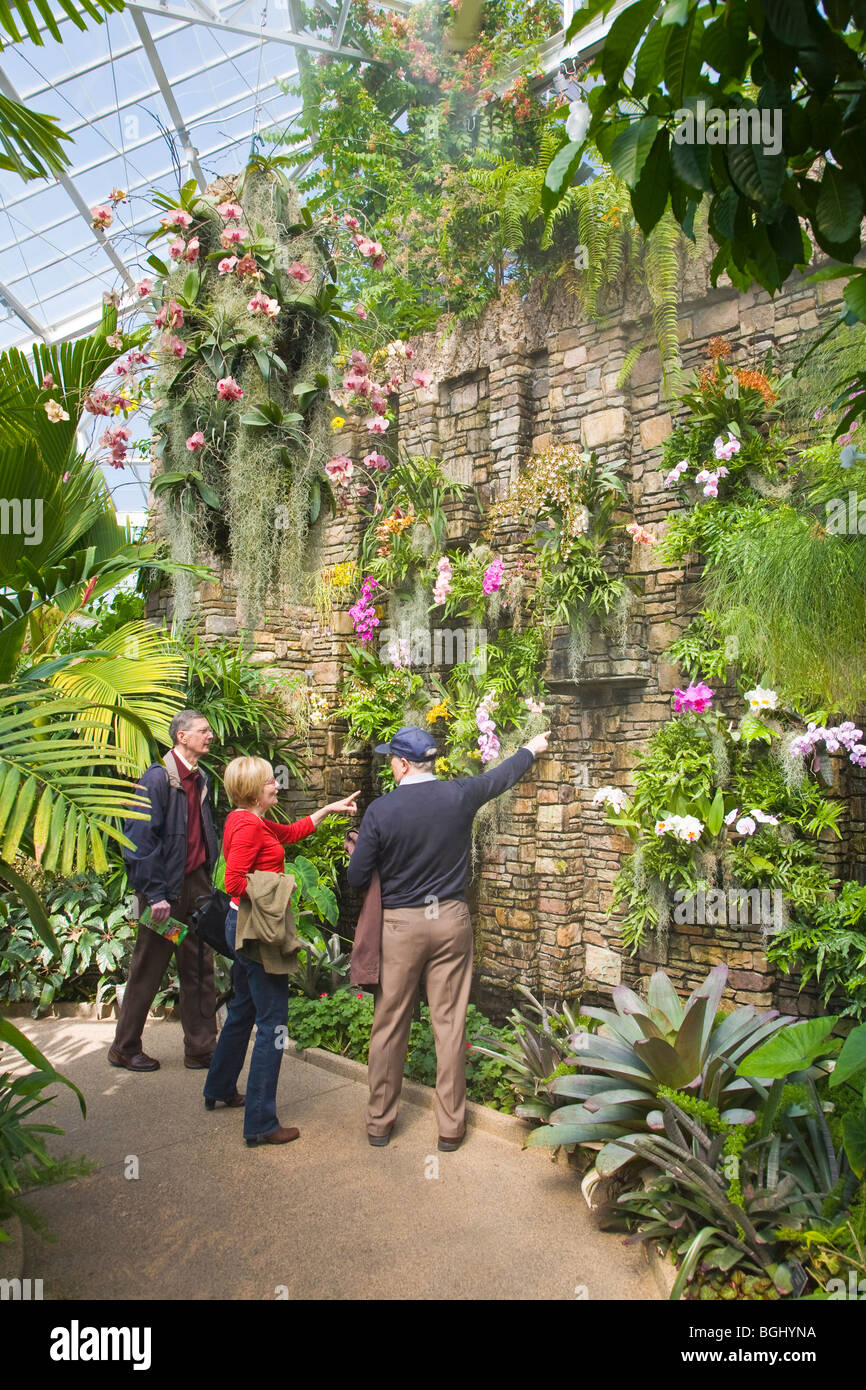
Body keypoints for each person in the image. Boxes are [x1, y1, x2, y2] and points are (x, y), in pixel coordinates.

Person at [346, 723, 550, 1150]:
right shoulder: (460, 794)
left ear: (402, 764)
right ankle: (450, 1129)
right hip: (451, 921)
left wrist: (359, 851)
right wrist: (532, 748)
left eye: (391, 759)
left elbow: (357, 877)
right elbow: (502, 776)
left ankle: (380, 1123)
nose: (390, 765)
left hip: (400, 927)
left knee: (389, 1024)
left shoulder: (381, 811)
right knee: (450, 1024)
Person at [204, 756, 359, 1146]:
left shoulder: (249, 820)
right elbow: (233, 880)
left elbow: (290, 834)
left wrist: (327, 809)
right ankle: (259, 1122)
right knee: (273, 1022)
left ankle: (220, 1086)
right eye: (271, 781)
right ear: (255, 790)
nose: (278, 785)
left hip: (242, 927)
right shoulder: (248, 827)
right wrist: (280, 890)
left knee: (242, 1008)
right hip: (255, 932)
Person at [109, 709, 220, 1073]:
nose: (210, 736)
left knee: (199, 965)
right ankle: (124, 1048)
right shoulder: (157, 780)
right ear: (182, 737)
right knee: (150, 966)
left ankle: (201, 1049)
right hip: (165, 898)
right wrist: (155, 895)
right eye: (203, 731)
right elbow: (139, 843)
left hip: (197, 889)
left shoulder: (199, 779)